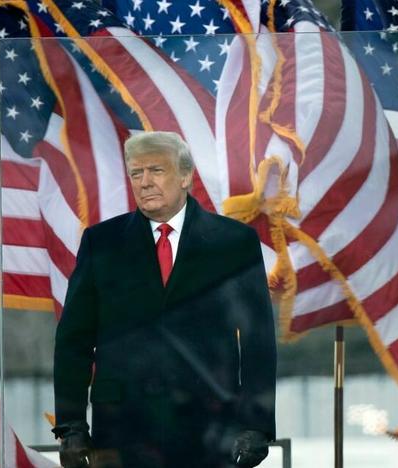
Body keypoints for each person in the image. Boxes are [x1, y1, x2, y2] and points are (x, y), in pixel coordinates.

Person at [52, 131, 277, 468]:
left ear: (185, 176)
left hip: (210, 429)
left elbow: (258, 340)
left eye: (156, 171)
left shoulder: (234, 243)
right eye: (136, 174)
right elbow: (74, 339)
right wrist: (71, 425)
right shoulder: (102, 243)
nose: (144, 183)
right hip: (122, 431)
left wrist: (256, 424)